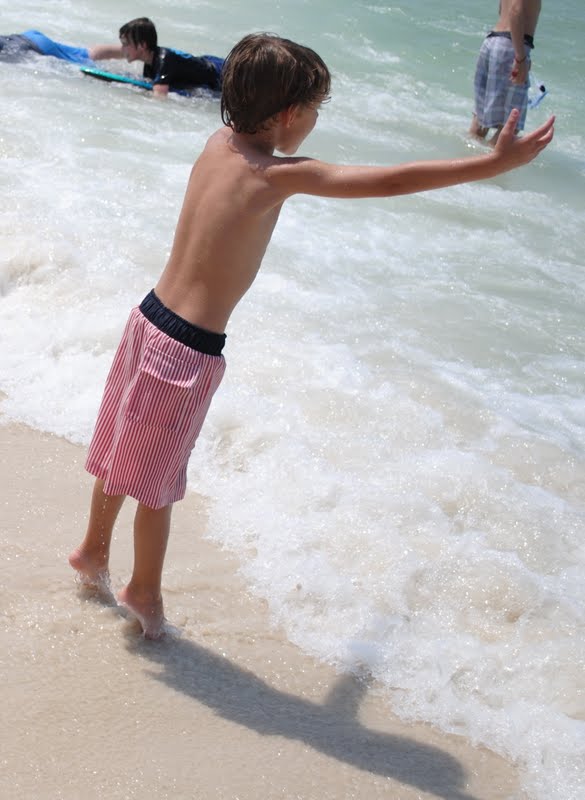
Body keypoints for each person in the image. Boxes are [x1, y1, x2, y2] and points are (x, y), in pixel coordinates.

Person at [69, 32, 554, 640]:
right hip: (185, 350)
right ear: (290, 115)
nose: (316, 121)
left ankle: (93, 548)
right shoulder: (274, 177)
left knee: (123, 450)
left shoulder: (218, 143)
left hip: (147, 320)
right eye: (316, 109)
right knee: (156, 482)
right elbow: (388, 182)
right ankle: (144, 589)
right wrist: (490, 164)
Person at [469, 1, 542, 145]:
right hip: (511, 46)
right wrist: (520, 57)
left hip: (493, 41)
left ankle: (467, 156)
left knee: (481, 120)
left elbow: (503, 9)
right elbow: (515, 10)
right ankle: (490, 159)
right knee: (510, 126)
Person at [114, 17, 224, 96]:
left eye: (125, 44)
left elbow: (160, 97)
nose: (122, 48)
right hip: (207, 64)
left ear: (142, 45)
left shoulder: (164, 60)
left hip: (220, 73)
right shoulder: (150, 64)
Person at [0, 29, 120, 65]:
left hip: (34, 49)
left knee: (88, 69)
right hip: (29, 37)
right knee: (86, 53)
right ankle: (129, 49)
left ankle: (128, 78)